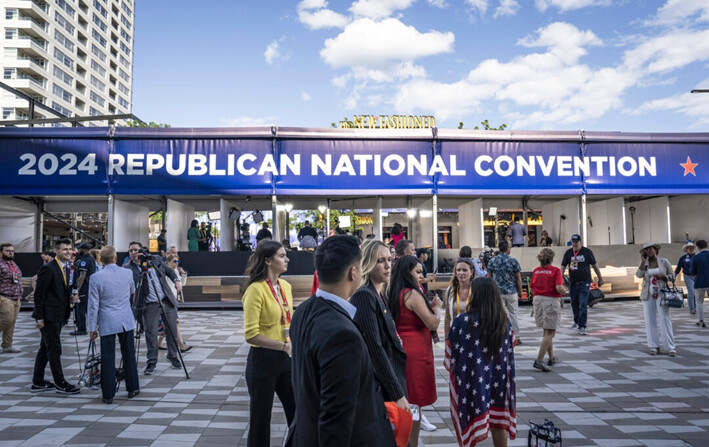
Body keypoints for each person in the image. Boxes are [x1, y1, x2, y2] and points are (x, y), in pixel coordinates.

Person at [290, 236, 396, 446]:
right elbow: (335, 418)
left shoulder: (302, 311)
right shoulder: (342, 334)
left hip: (305, 433)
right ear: (353, 272)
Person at [444, 276, 517, 447]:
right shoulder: (504, 322)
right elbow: (509, 352)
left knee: (469, 416)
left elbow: (451, 354)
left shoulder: (462, 322)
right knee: (498, 422)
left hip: (471, 381)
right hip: (498, 381)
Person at [242, 240, 295, 447]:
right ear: (267, 261)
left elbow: (288, 320)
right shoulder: (255, 289)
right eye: (282, 256)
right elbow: (251, 335)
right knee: (260, 420)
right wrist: (282, 346)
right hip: (262, 361)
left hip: (286, 359)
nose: (287, 259)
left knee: (298, 412)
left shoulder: (286, 286)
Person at [349, 240, 410, 414]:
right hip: (380, 386)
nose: (387, 266)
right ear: (367, 263)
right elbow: (374, 347)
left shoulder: (379, 294)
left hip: (392, 376)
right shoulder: (364, 295)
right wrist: (397, 393)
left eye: (389, 260)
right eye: (380, 261)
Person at [388, 255, 442, 443]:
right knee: (414, 403)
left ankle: (403, 440)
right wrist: (436, 309)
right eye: (418, 272)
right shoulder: (411, 294)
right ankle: (411, 442)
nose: (421, 276)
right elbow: (432, 323)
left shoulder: (393, 292)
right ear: (406, 272)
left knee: (404, 400)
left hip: (402, 348)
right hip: (416, 352)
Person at [87, 246, 140, 403]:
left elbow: (93, 305)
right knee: (129, 353)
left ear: (101, 260)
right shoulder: (127, 272)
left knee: (108, 357)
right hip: (126, 318)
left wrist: (92, 327)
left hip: (107, 319)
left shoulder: (96, 277)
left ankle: (108, 393)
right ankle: (133, 387)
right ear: (116, 258)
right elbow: (132, 290)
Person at [123, 241, 183, 375]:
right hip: (148, 304)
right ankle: (151, 362)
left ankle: (173, 356)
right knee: (151, 333)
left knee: (172, 330)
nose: (134, 253)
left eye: (136, 250)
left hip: (165, 300)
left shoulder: (154, 260)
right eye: (131, 251)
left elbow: (168, 270)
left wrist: (177, 281)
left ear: (142, 251)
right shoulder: (127, 268)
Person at [31, 238, 80, 394]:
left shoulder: (65, 267)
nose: (68, 252)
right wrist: (39, 318)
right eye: (64, 249)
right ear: (56, 251)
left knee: (45, 348)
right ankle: (60, 383)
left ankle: (38, 381)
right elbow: (39, 295)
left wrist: (72, 298)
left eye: (70, 249)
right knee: (54, 349)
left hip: (58, 315)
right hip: (48, 316)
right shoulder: (49, 268)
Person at [636, 242, 676, 356]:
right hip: (648, 293)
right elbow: (638, 275)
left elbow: (672, 276)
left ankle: (670, 347)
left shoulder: (664, 261)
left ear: (656, 250)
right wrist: (643, 262)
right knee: (650, 319)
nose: (649, 251)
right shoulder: (645, 263)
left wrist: (663, 277)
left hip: (662, 292)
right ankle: (653, 346)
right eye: (646, 249)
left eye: (651, 248)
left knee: (665, 318)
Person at [530, 248, 566, 372]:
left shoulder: (536, 271)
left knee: (546, 331)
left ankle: (551, 357)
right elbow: (558, 287)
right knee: (551, 332)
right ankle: (539, 360)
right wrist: (565, 291)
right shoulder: (555, 271)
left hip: (537, 300)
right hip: (550, 301)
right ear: (552, 258)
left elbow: (531, 288)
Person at [561, 234, 604, 336]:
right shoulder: (568, 253)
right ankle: (576, 321)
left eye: (576, 242)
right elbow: (563, 266)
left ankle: (582, 325)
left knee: (583, 303)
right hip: (573, 282)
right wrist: (560, 278)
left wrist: (600, 278)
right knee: (574, 302)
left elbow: (595, 265)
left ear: (580, 242)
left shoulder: (587, 252)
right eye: (573, 242)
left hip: (585, 282)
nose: (574, 244)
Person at [487, 241, 524, 344]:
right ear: (508, 249)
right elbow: (518, 278)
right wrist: (520, 291)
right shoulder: (513, 261)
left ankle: (500, 335)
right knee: (514, 314)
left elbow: (489, 277)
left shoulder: (492, 261)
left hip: (497, 292)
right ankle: (516, 337)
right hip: (512, 291)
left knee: (499, 315)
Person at [158, 254, 191, 353]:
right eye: (174, 261)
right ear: (168, 262)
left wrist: (183, 274)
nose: (176, 264)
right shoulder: (165, 271)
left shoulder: (176, 271)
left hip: (173, 300)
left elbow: (182, 284)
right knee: (175, 322)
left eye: (177, 262)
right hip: (167, 300)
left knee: (169, 323)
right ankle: (181, 345)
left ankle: (159, 343)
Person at [0, 243, 23, 353]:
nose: (10, 253)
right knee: (6, 320)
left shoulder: (13, 264)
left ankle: (7, 345)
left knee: (12, 322)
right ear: (1, 252)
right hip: (5, 296)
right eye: (7, 251)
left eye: (12, 251)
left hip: (16, 297)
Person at [70, 242, 97, 336]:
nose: (78, 250)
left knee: (80, 309)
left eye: (80, 249)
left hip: (84, 288)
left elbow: (82, 276)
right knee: (83, 309)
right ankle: (83, 327)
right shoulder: (89, 259)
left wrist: (77, 289)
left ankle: (81, 328)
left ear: (84, 249)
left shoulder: (85, 260)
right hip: (87, 287)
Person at [444, 257, 473, 341]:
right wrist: (446, 339)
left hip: (473, 335)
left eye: (464, 270)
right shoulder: (450, 291)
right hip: (456, 334)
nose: (461, 273)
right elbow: (447, 317)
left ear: (471, 272)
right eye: (458, 270)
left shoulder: (477, 290)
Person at [689, 239, 709, 328]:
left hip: (700, 282)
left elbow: (692, 271)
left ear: (698, 247)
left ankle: (701, 321)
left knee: (699, 302)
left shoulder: (696, 257)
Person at [676, 242, 697, 314]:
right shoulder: (683, 258)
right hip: (688, 276)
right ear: (686, 249)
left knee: (696, 292)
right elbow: (679, 267)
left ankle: (696, 306)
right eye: (689, 248)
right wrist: (674, 275)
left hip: (697, 276)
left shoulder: (697, 257)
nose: (691, 249)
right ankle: (692, 308)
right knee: (691, 291)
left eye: (692, 247)